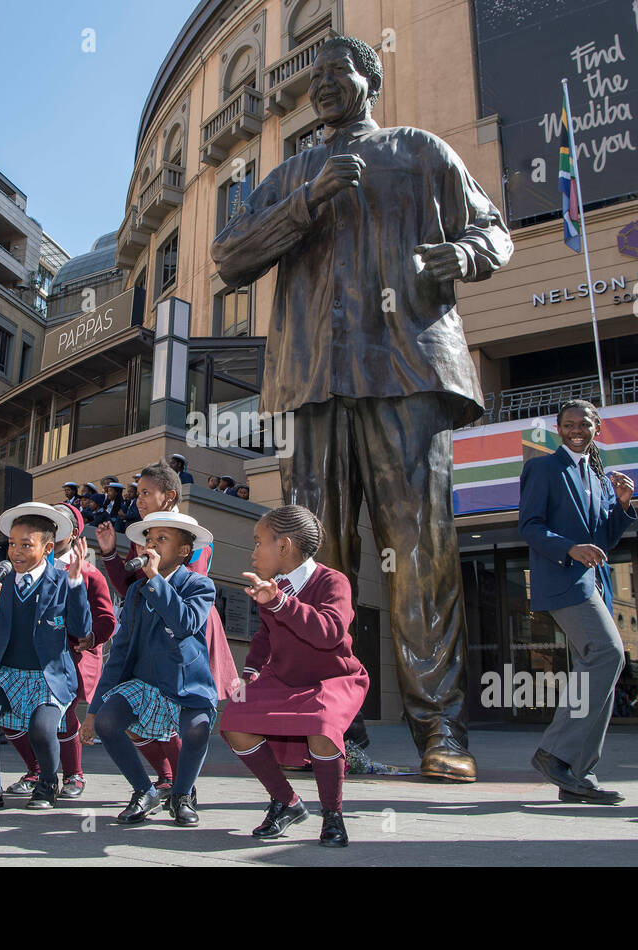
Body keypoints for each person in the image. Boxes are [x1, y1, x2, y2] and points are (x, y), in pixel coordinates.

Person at [211, 35, 512, 781]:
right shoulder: (296, 172)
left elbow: (493, 230)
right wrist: (307, 203)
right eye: (315, 78)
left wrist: (462, 256)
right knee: (316, 562)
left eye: (337, 72)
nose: (324, 86)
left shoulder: (418, 152)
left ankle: (441, 730)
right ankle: (329, 724)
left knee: (423, 551)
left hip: (405, 367)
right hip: (316, 380)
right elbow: (230, 256)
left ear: (369, 79)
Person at [222, 505, 368, 847]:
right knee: (234, 720)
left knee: (322, 728)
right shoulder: (272, 588)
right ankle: (286, 802)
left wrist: (280, 603)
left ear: (284, 546)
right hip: (284, 677)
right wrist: (248, 673)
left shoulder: (333, 581)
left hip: (333, 678)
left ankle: (333, 816)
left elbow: (331, 632)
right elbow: (265, 637)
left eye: (259, 542)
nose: (254, 552)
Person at [95, 460, 241, 792]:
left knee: (184, 713)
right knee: (138, 714)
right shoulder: (143, 538)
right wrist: (108, 555)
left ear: (169, 495)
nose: (139, 500)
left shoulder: (188, 537)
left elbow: (189, 595)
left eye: (147, 493)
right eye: (137, 494)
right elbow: (129, 587)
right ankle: (164, 777)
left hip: (185, 630)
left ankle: (182, 787)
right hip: (149, 626)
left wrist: (156, 585)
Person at [518, 400, 637, 804]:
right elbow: (530, 526)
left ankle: (576, 774)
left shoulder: (600, 477)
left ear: (596, 427)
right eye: (568, 425)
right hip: (564, 580)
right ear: (558, 429)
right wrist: (570, 549)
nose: (575, 430)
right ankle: (554, 753)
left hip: (594, 583)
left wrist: (620, 504)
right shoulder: (543, 468)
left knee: (599, 662)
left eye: (583, 424)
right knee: (607, 653)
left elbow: (604, 539)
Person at [81, 512, 217, 825]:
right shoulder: (136, 592)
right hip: (145, 683)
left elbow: (184, 623)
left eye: (162, 539)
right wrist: (93, 708)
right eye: (149, 540)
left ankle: (182, 794)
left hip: (185, 684)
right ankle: (145, 790)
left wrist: (156, 580)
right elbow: (121, 651)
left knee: (196, 729)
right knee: (107, 722)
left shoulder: (200, 585)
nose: (151, 546)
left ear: (184, 551)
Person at [0, 504, 93, 812]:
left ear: (46, 548)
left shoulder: (61, 581)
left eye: (25, 545)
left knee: (42, 730)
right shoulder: (2, 585)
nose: (15, 552)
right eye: (12, 544)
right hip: (10, 672)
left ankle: (47, 785)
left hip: (48, 675)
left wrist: (75, 584)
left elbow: (82, 629)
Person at [5, 503, 117, 798]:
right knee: (9, 712)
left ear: (75, 532)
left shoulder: (90, 573)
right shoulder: (28, 566)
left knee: (60, 713)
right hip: (32, 655)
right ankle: (37, 769)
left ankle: (73, 775)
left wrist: (91, 637)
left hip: (75, 656)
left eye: (60, 522)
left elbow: (106, 619)